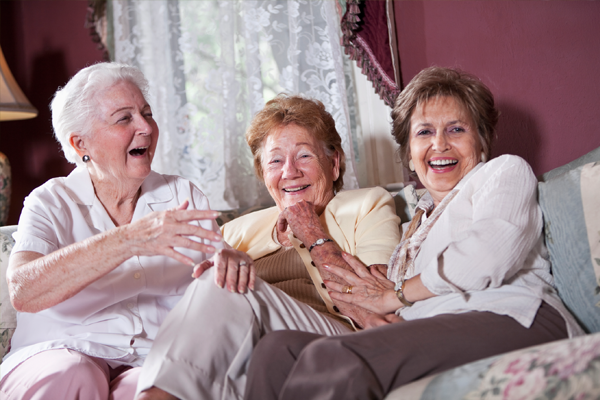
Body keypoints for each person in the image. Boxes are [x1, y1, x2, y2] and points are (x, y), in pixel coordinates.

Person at [243, 67, 585, 400]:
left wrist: (396, 295)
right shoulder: (412, 228)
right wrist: (380, 287)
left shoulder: (502, 173)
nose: (439, 144)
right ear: (408, 154)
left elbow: (487, 257)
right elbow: (380, 295)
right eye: (424, 133)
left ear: (482, 141)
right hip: (437, 330)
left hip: (515, 316)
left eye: (455, 130)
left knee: (333, 359)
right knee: (277, 351)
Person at [135, 95, 402, 400]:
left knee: (224, 281)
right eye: (275, 161)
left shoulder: (367, 205)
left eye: (304, 156)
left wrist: (311, 232)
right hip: (252, 353)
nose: (289, 172)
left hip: (336, 339)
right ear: (264, 175)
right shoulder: (235, 230)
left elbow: (372, 301)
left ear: (334, 163)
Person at [0, 63, 232, 400]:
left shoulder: (184, 196)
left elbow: (216, 285)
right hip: (58, 352)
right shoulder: (50, 201)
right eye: (124, 118)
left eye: (147, 113)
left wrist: (231, 265)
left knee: (152, 389)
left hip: (148, 357)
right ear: (81, 144)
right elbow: (24, 290)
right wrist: (130, 239)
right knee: (75, 374)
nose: (146, 128)